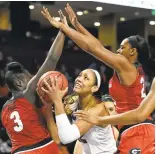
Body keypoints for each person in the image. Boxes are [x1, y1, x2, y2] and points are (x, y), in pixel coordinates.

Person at [41, 4, 155, 153]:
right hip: (137, 129)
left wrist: (64, 28)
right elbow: (98, 47)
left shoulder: (125, 64)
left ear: (133, 51)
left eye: (122, 47)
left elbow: (93, 49)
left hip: (137, 130)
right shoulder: (131, 68)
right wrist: (76, 25)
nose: (118, 50)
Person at [0, 8, 66, 154]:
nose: (33, 79)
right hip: (41, 148)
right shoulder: (28, 93)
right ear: (19, 83)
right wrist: (63, 30)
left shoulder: (5, 108)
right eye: (29, 77)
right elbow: (51, 59)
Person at [40, 68, 117, 154]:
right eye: (79, 75)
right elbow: (58, 139)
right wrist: (48, 107)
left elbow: (66, 137)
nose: (79, 79)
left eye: (86, 78)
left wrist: (57, 100)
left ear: (94, 88)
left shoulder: (99, 109)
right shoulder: (72, 104)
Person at [75, 78, 155, 153]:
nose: (109, 114)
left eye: (111, 110)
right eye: (105, 111)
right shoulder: (87, 129)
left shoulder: (115, 131)